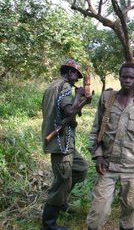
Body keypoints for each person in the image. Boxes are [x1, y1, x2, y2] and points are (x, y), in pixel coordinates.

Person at [86, 63, 134, 229]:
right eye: (124, 76)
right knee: (98, 212)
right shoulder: (107, 98)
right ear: (119, 77)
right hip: (107, 165)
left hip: (131, 167)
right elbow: (95, 130)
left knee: (130, 209)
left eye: (131, 77)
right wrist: (98, 156)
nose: (127, 80)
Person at [41, 59, 89, 230]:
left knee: (81, 168)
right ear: (70, 73)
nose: (77, 80)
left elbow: (63, 114)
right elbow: (69, 110)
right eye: (76, 75)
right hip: (61, 143)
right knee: (62, 181)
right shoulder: (66, 87)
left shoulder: (52, 86)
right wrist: (78, 95)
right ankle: (49, 223)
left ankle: (61, 202)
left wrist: (82, 102)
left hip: (64, 141)